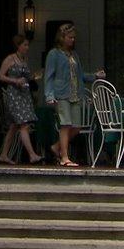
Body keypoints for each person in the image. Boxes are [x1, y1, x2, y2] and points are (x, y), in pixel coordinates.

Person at [43, 22, 103, 168]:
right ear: (62, 37)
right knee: (65, 124)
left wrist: (95, 76)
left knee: (76, 127)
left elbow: (80, 75)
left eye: (73, 37)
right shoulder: (54, 54)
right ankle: (64, 156)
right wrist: (49, 95)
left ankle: (56, 147)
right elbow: (49, 76)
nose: (72, 40)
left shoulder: (74, 55)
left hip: (75, 93)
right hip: (61, 93)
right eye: (70, 37)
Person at [0, 34, 43, 164]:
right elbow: (0, 76)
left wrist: (33, 77)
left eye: (28, 45)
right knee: (24, 124)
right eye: (25, 45)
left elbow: (26, 77)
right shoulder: (10, 59)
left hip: (24, 94)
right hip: (14, 95)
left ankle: (4, 154)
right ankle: (32, 154)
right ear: (18, 46)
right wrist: (14, 80)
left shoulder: (24, 60)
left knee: (13, 126)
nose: (27, 48)